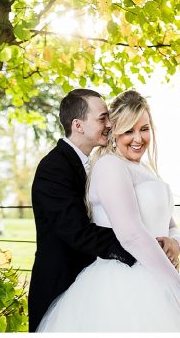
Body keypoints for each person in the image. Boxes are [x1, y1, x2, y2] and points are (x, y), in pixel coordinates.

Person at [37, 90, 180, 332]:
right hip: (124, 280)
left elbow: (170, 224)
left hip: (159, 273)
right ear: (114, 132)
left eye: (144, 128)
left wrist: (175, 243)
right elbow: (130, 233)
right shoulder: (108, 166)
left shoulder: (145, 169)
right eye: (127, 130)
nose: (138, 138)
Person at [27, 89, 138, 331]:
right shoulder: (54, 168)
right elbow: (77, 231)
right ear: (78, 125)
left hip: (90, 285)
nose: (110, 124)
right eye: (102, 118)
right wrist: (136, 244)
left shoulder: (92, 162)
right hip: (60, 285)